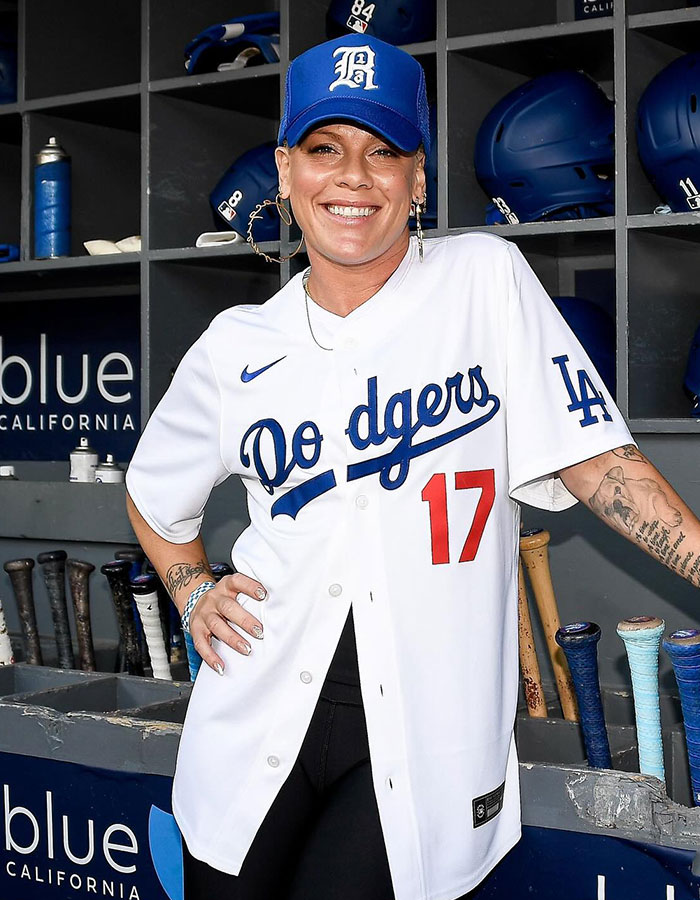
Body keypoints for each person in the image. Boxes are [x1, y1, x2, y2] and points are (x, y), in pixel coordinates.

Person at [125, 33, 700, 900]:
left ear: (418, 180)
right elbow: (150, 494)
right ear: (285, 172)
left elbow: (599, 469)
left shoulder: (484, 282)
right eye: (324, 149)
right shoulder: (236, 347)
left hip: (425, 734)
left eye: (382, 151)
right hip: (255, 712)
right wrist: (191, 589)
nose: (352, 177)